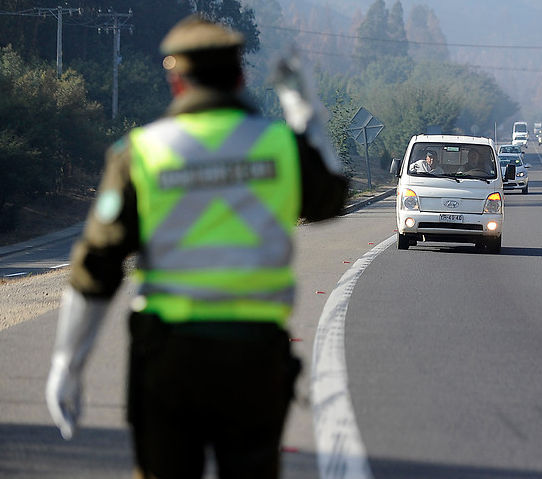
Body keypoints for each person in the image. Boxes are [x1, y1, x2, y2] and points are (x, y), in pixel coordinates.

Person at [44, 14, 348, 479]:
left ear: (176, 82)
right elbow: (332, 198)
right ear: (240, 77)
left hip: (169, 357)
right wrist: (305, 112)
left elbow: (97, 266)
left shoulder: (141, 152)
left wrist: (69, 363)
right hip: (254, 359)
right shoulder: (281, 148)